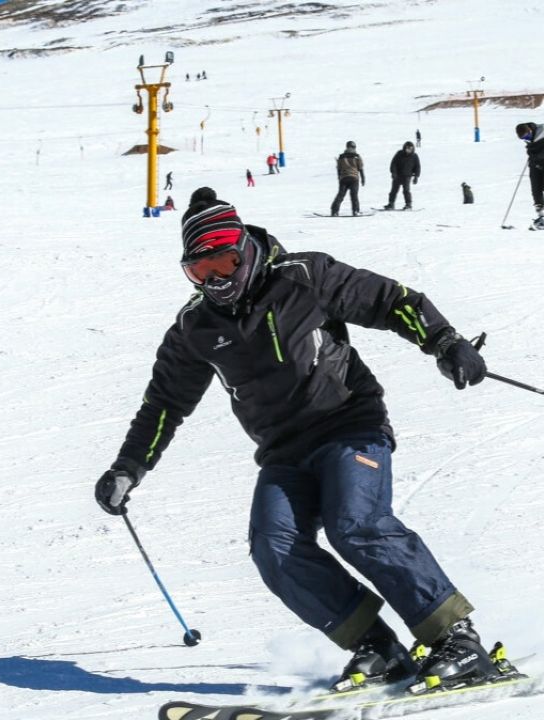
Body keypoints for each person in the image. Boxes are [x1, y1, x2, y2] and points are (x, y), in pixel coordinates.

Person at [94, 186, 499, 694]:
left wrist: (444, 341)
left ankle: (456, 640)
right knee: (274, 547)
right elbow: (164, 404)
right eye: (200, 272)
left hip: (349, 422)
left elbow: (391, 302)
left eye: (223, 261)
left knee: (356, 524)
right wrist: (129, 468)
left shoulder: (304, 277)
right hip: (283, 450)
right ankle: (376, 647)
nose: (216, 279)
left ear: (244, 249)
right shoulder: (194, 327)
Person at [514, 122, 544, 229]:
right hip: (534, 162)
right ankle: (542, 216)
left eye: (527, 135)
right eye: (523, 138)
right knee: (536, 188)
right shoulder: (527, 137)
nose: (527, 138)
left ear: (530, 130)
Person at [331, 141, 366, 216]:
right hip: (354, 178)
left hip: (344, 178)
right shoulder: (357, 156)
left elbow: (339, 168)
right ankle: (356, 211)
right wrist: (363, 179)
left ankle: (334, 211)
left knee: (340, 195)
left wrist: (339, 177)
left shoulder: (341, 157)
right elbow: (360, 168)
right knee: (354, 196)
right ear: (354, 147)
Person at [383, 141, 420, 210]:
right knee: (393, 191)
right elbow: (393, 163)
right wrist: (393, 173)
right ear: (404, 148)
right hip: (397, 176)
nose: (408, 150)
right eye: (407, 148)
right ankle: (391, 204)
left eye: (410, 149)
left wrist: (416, 177)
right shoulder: (399, 154)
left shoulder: (414, 156)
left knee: (406, 191)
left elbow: (417, 167)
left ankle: (408, 205)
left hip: (407, 176)